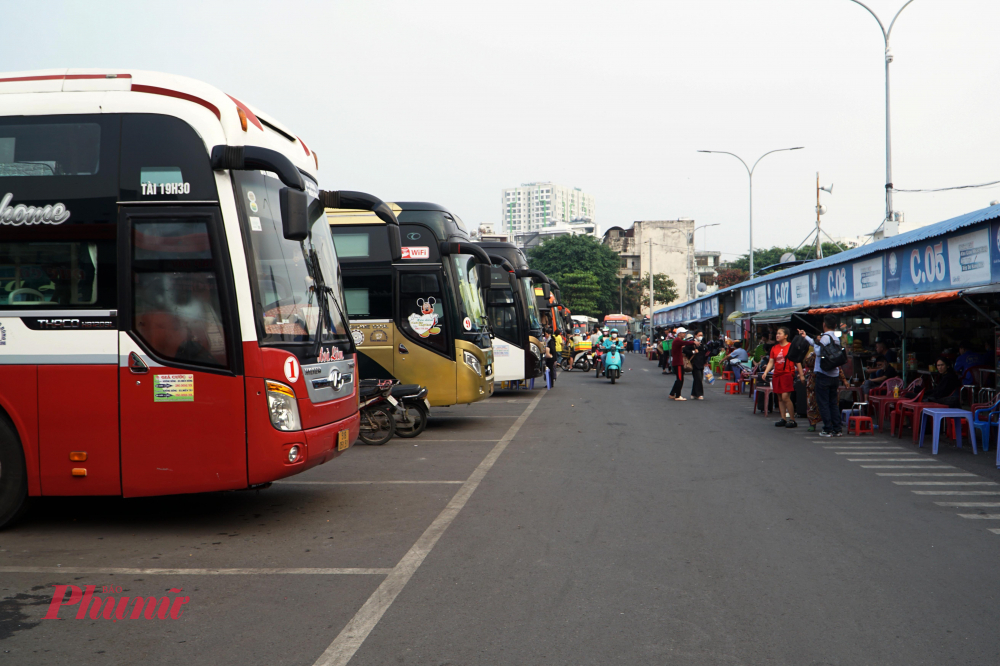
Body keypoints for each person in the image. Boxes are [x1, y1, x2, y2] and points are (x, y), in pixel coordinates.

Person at [798, 314, 845, 437]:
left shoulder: (824, 338)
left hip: (824, 375)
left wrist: (813, 343)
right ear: (835, 326)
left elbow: (818, 352)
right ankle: (837, 429)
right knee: (833, 403)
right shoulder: (836, 338)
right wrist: (807, 338)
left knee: (823, 403)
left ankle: (827, 429)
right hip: (834, 375)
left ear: (824, 324)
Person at [761, 326, 804, 428]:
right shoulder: (774, 348)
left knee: (785, 397)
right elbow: (771, 361)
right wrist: (765, 372)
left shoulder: (790, 346)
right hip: (777, 374)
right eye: (777, 333)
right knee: (780, 398)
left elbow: (797, 361)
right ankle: (783, 418)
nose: (777, 335)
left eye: (780, 333)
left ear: (786, 336)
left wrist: (801, 375)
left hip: (787, 373)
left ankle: (792, 419)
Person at [668, 333, 690, 401]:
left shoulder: (677, 341)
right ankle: (678, 395)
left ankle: (672, 393)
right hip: (678, 363)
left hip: (677, 362)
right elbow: (685, 342)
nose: (684, 335)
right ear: (679, 334)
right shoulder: (677, 340)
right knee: (680, 379)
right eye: (683, 333)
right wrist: (694, 342)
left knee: (679, 379)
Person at [688, 331, 707, 400]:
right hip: (694, 363)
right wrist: (693, 351)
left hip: (701, 363)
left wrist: (705, 362)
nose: (701, 336)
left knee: (698, 379)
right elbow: (685, 350)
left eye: (702, 335)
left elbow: (703, 353)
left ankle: (694, 393)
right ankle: (699, 394)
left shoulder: (702, 343)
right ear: (695, 335)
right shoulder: (691, 343)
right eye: (699, 335)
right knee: (698, 378)